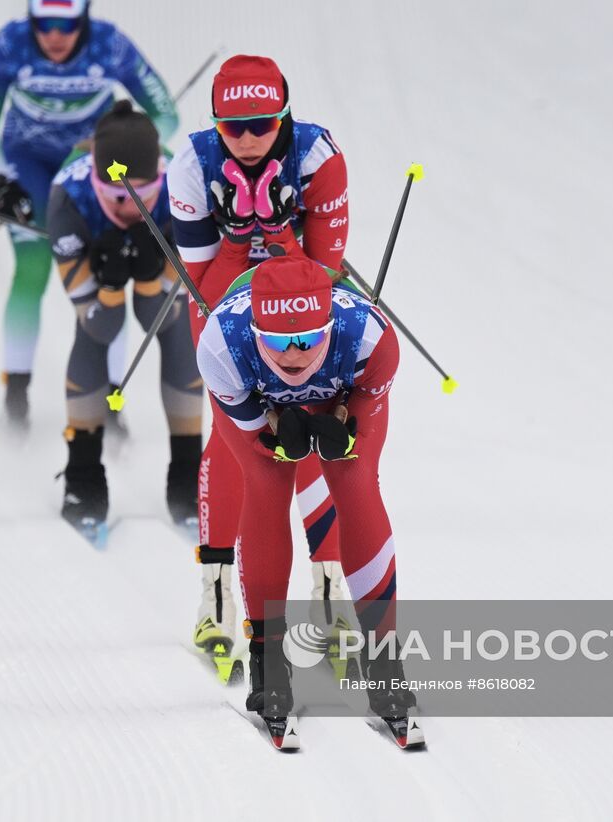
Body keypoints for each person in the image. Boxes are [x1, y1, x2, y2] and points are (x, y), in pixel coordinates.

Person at [166, 55, 351, 661]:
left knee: (319, 425)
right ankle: (216, 593)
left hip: (301, 299)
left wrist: (279, 234)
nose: (246, 139)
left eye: (262, 124)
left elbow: (324, 275)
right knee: (235, 439)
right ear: (216, 124)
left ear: (285, 116)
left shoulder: (317, 157)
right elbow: (203, 287)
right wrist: (247, 238)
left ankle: (329, 587)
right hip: (225, 300)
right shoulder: (192, 164)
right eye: (233, 126)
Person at [195, 253, 414, 722]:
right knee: (266, 483)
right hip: (258, 395)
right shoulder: (220, 345)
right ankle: (268, 663)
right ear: (255, 334)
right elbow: (257, 433)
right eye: (277, 342)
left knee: (356, 484)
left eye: (307, 338)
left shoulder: (371, 338)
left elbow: (364, 401)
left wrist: (342, 426)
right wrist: (277, 426)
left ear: (330, 325)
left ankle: (386, 662)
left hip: (341, 388)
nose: (293, 355)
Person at [0, 0, 178, 430]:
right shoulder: (8, 45)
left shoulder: (109, 44)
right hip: (29, 164)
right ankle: (16, 394)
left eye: (67, 25)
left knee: (110, 271)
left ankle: (110, 397)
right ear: (31, 20)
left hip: (94, 168)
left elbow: (165, 112)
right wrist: (2, 183)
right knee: (33, 266)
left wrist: (143, 148)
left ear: (85, 19)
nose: (55, 36)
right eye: (44, 24)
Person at [45, 102, 200, 540]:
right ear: (96, 181)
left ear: (159, 182)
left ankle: (189, 478)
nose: (130, 206)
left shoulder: (183, 194)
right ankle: (84, 478)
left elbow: (160, 318)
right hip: (90, 238)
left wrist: (151, 280)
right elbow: (99, 324)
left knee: (179, 333)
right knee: (90, 341)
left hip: (166, 238)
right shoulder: (68, 201)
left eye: (141, 193)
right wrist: (111, 286)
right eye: (116, 194)